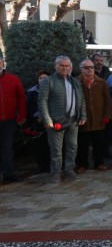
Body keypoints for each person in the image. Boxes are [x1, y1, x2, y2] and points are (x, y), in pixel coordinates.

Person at [38, 56, 87, 184]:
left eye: (67, 66)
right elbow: (42, 101)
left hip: (73, 120)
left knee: (72, 147)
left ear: (70, 67)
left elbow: (81, 100)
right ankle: (56, 173)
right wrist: (47, 119)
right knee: (56, 150)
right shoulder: (48, 81)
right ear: (55, 66)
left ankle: (69, 170)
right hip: (55, 121)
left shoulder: (75, 81)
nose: (64, 68)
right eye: (62, 65)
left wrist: (83, 115)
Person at [75, 59, 112, 173]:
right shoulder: (75, 82)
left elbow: (107, 100)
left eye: (91, 67)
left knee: (99, 143)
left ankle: (99, 163)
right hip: (82, 119)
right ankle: (82, 164)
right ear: (81, 69)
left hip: (98, 119)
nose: (90, 69)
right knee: (82, 144)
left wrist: (107, 115)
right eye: (86, 67)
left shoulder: (101, 82)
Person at [0, 58, 26, 183]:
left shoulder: (13, 78)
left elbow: (21, 98)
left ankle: (8, 173)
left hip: (9, 120)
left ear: (3, 64)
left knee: (7, 148)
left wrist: (21, 115)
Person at [26, 71, 51, 173]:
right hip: (38, 122)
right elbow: (29, 106)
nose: (43, 80)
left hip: (51, 121)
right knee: (39, 146)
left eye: (45, 78)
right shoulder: (32, 92)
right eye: (41, 78)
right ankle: (41, 165)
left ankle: (51, 166)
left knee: (51, 145)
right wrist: (38, 115)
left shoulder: (54, 90)